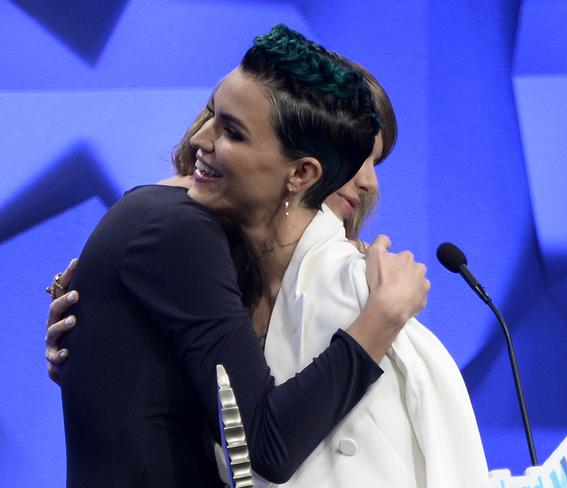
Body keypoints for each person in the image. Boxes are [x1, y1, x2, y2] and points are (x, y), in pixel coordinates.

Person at [47, 28, 489, 487]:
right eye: (356, 157)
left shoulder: (219, 245)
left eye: (371, 160)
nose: (366, 181)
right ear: (304, 170)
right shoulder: (180, 228)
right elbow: (267, 444)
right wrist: (380, 318)